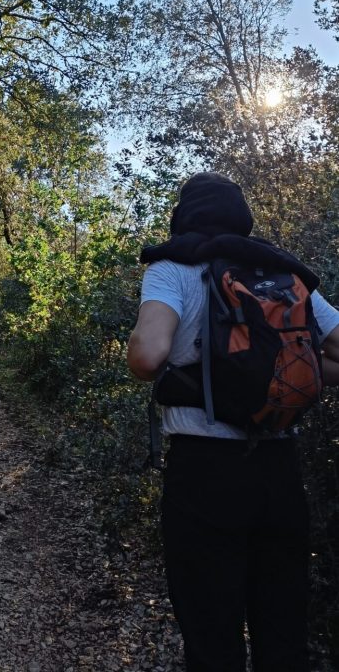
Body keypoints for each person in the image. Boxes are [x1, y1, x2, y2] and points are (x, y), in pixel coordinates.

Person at [127, 172, 339, 672]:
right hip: (279, 470)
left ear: (184, 216)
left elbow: (148, 356)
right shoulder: (279, 272)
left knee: (211, 630)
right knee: (284, 628)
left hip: (203, 473)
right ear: (242, 218)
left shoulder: (172, 266)